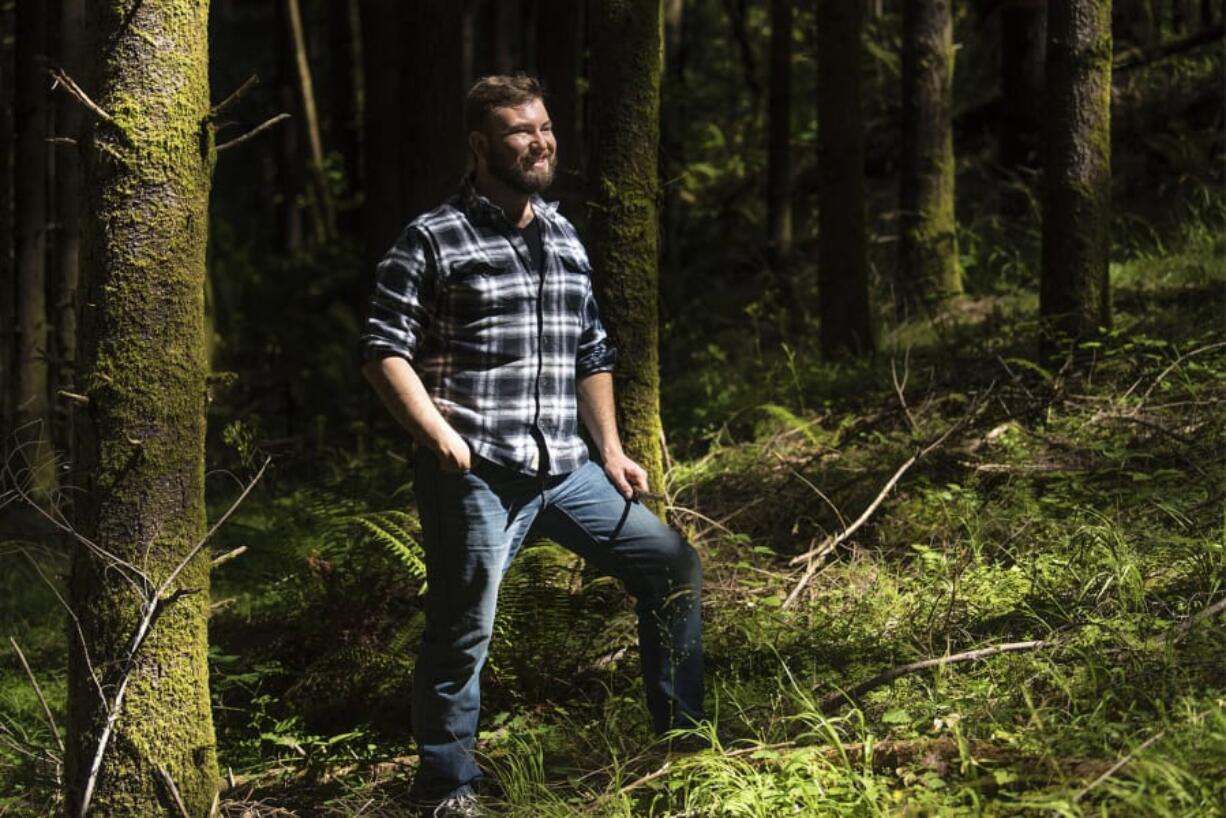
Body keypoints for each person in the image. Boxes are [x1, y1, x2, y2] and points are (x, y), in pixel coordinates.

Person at [358, 74, 705, 817]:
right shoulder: (434, 237)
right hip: (477, 472)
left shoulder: (561, 233)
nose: (539, 140)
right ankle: (448, 790)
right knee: (463, 628)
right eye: (521, 130)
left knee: (671, 568)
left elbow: (591, 351)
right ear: (482, 145)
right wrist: (438, 434)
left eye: (544, 127)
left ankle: (685, 747)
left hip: (566, 472)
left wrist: (609, 450)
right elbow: (383, 350)